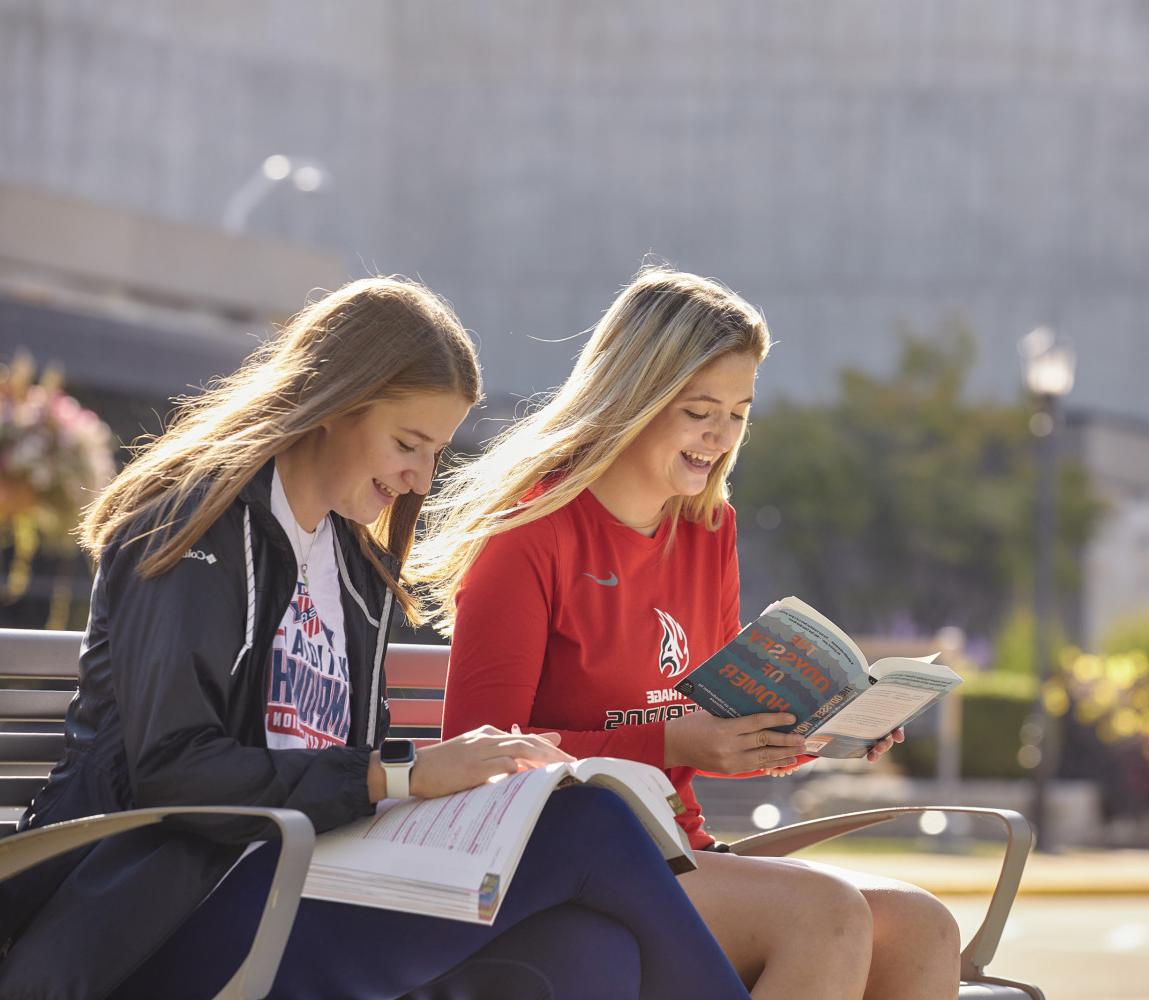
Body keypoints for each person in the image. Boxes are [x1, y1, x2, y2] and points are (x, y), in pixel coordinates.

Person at [0, 277, 751, 1000]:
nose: (421, 476)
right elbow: (173, 771)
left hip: (311, 876)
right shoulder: (192, 530)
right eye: (408, 442)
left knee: (595, 956)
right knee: (589, 825)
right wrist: (398, 778)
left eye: (436, 452)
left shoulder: (353, 563)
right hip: (169, 907)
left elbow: (352, 764)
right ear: (337, 405)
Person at [412, 266, 961, 1000]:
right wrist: (668, 744)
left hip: (681, 849)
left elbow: (706, 724)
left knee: (923, 925)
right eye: (699, 410)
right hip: (563, 863)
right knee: (824, 916)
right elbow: (478, 759)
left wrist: (810, 732)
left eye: (738, 412)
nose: (719, 436)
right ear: (634, 397)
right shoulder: (529, 538)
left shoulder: (709, 529)